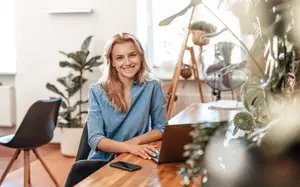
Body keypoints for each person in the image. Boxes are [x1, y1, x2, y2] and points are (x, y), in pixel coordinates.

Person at [87, 32, 167, 162]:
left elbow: (161, 128)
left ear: (140, 56)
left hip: (136, 155)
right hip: (102, 162)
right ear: (112, 62)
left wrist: (134, 143)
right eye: (119, 58)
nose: (127, 62)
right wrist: (128, 147)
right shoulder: (97, 91)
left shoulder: (152, 86)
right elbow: (95, 139)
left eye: (132, 55)